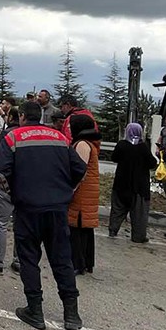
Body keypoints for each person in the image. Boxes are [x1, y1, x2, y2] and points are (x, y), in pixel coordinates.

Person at [0, 101, 87, 330]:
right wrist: (65, 189)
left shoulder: (13, 137)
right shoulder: (59, 137)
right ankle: (71, 314)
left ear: (22, 116)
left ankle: (35, 310)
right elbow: (80, 169)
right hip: (57, 208)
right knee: (62, 260)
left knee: (28, 259)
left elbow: (0, 171)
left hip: (28, 208)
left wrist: (14, 191)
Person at [108, 122, 158, 242]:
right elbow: (152, 163)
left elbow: (114, 158)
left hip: (121, 183)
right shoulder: (143, 147)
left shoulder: (121, 145)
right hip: (139, 186)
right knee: (139, 213)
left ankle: (113, 230)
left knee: (117, 209)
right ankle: (138, 236)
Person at [67, 113, 102, 274]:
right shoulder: (90, 143)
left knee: (77, 226)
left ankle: (77, 263)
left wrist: (70, 189)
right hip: (89, 190)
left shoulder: (81, 144)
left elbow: (79, 171)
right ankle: (87, 262)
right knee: (85, 228)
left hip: (82, 191)